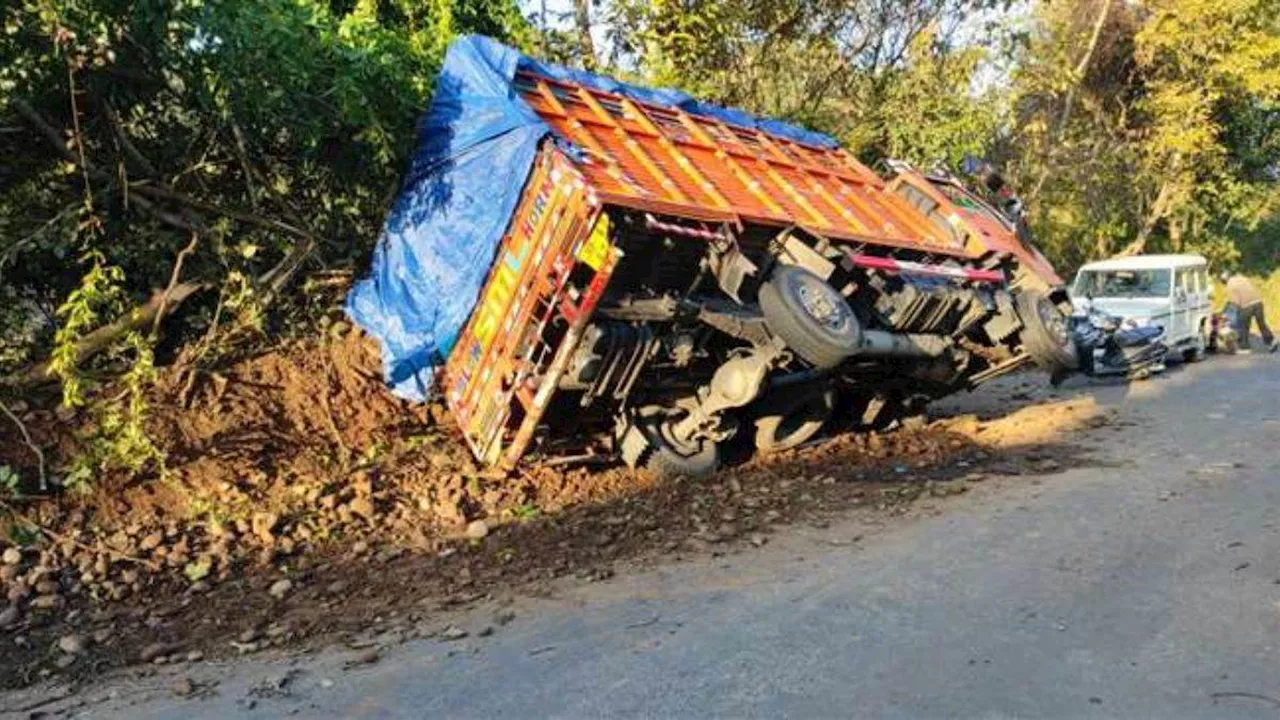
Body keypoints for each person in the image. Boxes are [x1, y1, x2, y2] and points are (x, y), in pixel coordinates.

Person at [1221, 271, 1277, 353]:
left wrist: (1226, 314)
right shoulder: (1242, 278)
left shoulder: (1230, 285)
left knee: (1243, 326)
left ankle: (1244, 347)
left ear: (1225, 280)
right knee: (1261, 323)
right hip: (1258, 302)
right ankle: (1271, 341)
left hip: (1247, 305)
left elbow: (1235, 302)